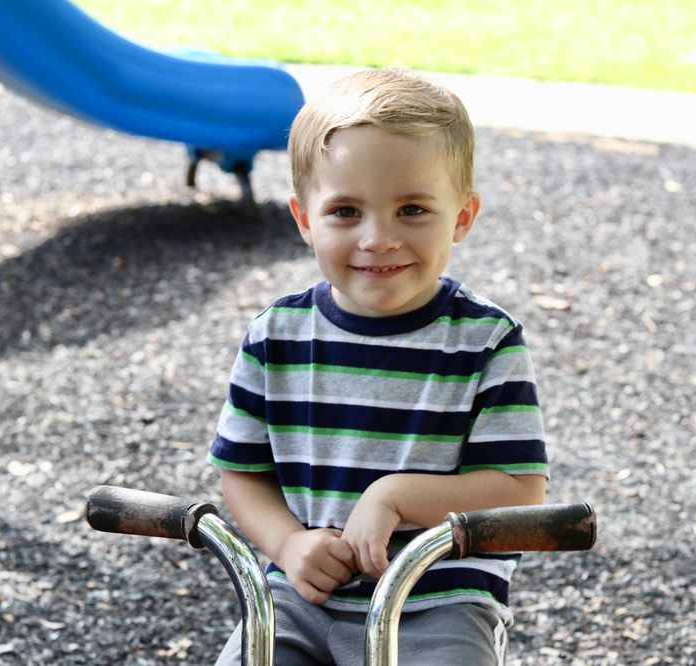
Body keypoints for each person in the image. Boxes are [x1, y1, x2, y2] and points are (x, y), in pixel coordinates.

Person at [208, 68, 549, 665]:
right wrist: (288, 544)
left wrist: (394, 495)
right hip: (302, 597)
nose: (378, 238)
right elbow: (242, 473)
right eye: (345, 211)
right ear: (305, 219)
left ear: (462, 217)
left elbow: (519, 490)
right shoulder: (277, 336)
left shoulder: (484, 342)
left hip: (437, 604)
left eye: (412, 208)